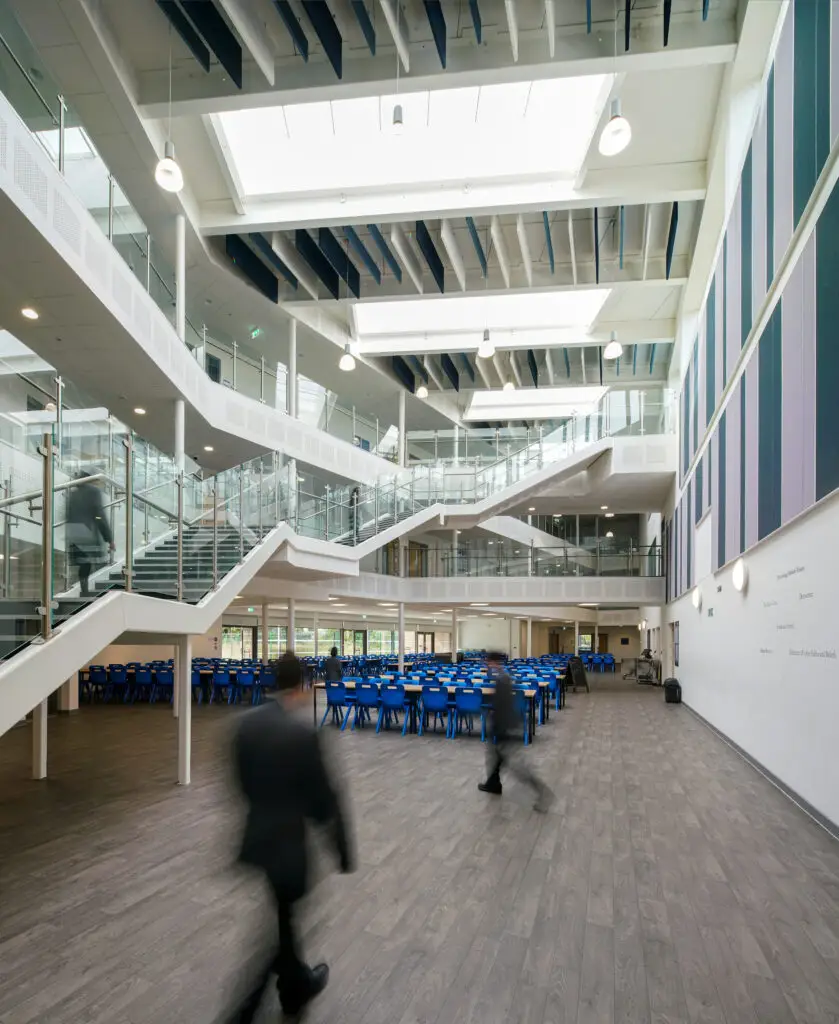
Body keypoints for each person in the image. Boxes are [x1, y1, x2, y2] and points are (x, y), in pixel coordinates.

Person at [228, 649, 353, 1022]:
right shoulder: (303, 734)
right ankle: (247, 1009)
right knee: (280, 926)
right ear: (301, 686)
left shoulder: (245, 725)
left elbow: (241, 783)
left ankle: (296, 984)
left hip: (256, 837)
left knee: (283, 918)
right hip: (287, 846)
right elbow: (324, 800)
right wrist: (342, 849)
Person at [478, 652, 553, 813]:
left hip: (506, 728)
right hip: (505, 726)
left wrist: (498, 727)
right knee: (494, 756)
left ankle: (542, 792)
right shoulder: (502, 678)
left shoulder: (502, 680)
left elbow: (503, 707)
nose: (486, 665)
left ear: (494, 662)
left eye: (488, 662)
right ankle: (493, 784)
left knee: (518, 767)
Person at [65, 472, 115, 597]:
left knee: (84, 562)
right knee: (92, 560)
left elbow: (67, 514)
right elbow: (99, 515)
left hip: (74, 530)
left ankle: (84, 589)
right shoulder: (94, 492)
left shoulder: (73, 494)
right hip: (87, 531)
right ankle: (89, 590)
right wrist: (109, 538)